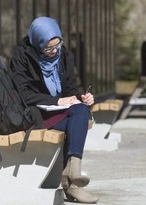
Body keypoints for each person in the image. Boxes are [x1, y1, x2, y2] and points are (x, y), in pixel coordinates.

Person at [8, 16, 99, 203]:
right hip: (36, 114)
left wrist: (80, 98)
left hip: (59, 111)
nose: (54, 51)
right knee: (77, 123)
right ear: (37, 43)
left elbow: (70, 89)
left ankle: (73, 171)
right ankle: (72, 185)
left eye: (58, 45)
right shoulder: (21, 56)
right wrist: (57, 101)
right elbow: (23, 94)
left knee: (81, 110)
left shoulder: (65, 55)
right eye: (48, 48)